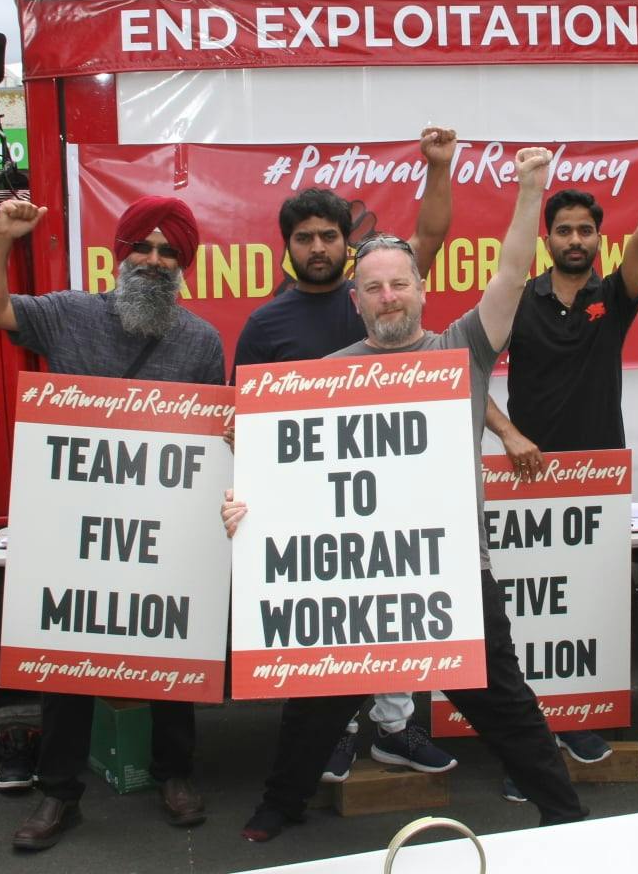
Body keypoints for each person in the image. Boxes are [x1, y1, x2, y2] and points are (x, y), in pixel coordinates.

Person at [223, 146, 587, 842]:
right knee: (317, 707)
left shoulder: (462, 352)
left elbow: (513, 273)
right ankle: (281, 802)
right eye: (375, 288)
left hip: (453, 572)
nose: (388, 297)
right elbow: (284, 474)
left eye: (399, 285)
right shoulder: (323, 375)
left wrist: (531, 188)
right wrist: (247, 510)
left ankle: (566, 818)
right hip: (355, 576)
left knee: (503, 704)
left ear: (422, 289)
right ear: (356, 300)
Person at [0, 192, 225, 850]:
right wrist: (1, 236)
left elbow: (211, 439)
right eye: (142, 247)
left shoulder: (201, 341)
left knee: (173, 646)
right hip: (73, 530)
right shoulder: (66, 314)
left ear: (184, 265)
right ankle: (59, 794)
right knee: (64, 658)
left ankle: (174, 775)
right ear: (118, 255)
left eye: (168, 251)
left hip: (162, 530)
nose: (152, 259)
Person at [233, 127, 460, 785]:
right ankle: (332, 732)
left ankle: (395, 730)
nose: (318, 247)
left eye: (329, 235)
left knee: (390, 610)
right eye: (304, 237)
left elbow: (433, 237)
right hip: (307, 504)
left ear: (346, 242)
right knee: (325, 624)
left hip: (393, 489)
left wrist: (438, 168)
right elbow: (246, 419)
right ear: (289, 247)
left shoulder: (376, 294)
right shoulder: (264, 326)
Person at [484, 131, 638, 799]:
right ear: (547, 238)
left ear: (598, 239)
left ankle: (581, 717)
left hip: (600, 483)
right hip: (529, 484)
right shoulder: (521, 299)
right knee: (531, 609)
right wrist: (510, 434)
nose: (575, 239)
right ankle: (530, 729)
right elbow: (466, 369)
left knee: (595, 603)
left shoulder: (613, 297)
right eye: (564, 229)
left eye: (585, 230)